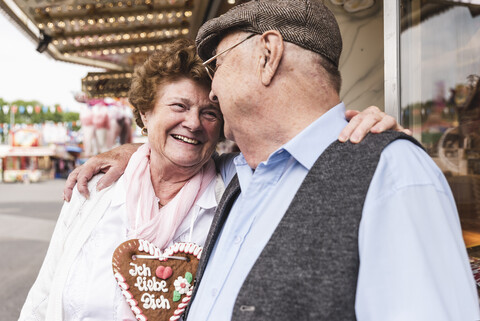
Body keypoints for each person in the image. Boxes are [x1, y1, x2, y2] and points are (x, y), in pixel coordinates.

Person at [60, 3, 471, 320]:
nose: (214, 91)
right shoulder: (238, 178)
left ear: (268, 54)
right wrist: (133, 151)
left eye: (217, 65)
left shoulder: (392, 173)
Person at [19, 39, 229, 321]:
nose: (193, 123)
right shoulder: (94, 190)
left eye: (210, 113)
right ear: (145, 112)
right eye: (179, 106)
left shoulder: (230, 202)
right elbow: (43, 297)